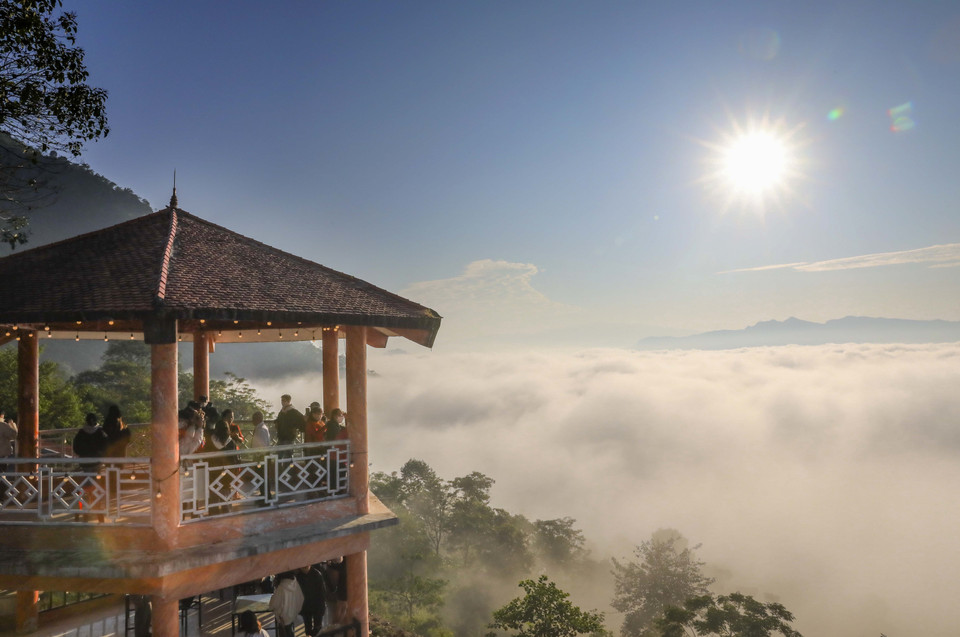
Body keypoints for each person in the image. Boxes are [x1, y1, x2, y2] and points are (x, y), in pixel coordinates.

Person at [269, 571, 304, 637]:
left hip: (283, 619)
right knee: (290, 632)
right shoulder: (295, 583)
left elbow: (274, 604)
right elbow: (301, 598)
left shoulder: (281, 588)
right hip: (292, 616)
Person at [296, 565, 327, 636]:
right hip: (305, 606)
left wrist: (322, 606)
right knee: (308, 628)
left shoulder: (317, 575)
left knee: (318, 628)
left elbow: (322, 593)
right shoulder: (298, 576)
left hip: (317, 605)